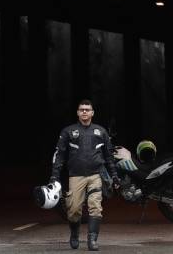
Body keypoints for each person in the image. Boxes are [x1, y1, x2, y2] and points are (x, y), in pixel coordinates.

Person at [50, 99, 120, 251]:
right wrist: (54, 177)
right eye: (81, 109)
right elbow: (60, 156)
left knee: (95, 207)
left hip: (96, 175)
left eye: (87, 109)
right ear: (77, 112)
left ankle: (92, 240)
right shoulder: (68, 131)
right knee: (74, 210)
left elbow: (109, 157)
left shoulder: (101, 132)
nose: (84, 112)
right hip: (76, 176)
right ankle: (74, 233)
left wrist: (114, 176)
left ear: (92, 113)